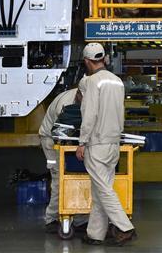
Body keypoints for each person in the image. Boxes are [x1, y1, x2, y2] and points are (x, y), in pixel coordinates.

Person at [76, 43, 137, 246]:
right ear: (103, 59)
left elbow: (89, 114)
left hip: (97, 143)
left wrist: (82, 142)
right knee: (100, 189)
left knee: (103, 189)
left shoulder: (93, 82)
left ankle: (125, 227)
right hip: (113, 142)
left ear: (87, 61)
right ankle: (95, 233)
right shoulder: (117, 81)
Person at [40, 86, 88, 234]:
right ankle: (52, 218)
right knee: (59, 178)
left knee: (79, 178)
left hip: (70, 140)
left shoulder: (86, 97)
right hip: (51, 140)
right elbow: (60, 133)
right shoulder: (66, 104)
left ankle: (80, 220)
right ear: (78, 94)